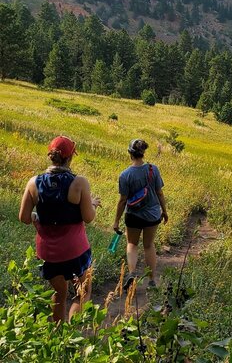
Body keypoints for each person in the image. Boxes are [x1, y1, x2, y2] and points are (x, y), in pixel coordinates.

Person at [19, 135, 101, 323]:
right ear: (70, 157)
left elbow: (24, 218)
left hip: (49, 252)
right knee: (83, 291)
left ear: (51, 156)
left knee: (59, 293)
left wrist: (36, 218)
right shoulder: (79, 183)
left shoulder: (33, 183)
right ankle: (72, 332)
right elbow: (88, 218)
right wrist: (93, 204)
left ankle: (58, 337)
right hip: (75, 250)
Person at [113, 138, 168, 289]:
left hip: (133, 215)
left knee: (132, 244)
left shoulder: (125, 175)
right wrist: (164, 211)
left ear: (130, 153)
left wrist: (116, 221)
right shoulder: (153, 169)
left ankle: (131, 273)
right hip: (152, 215)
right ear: (143, 153)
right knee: (149, 246)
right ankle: (151, 280)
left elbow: (123, 200)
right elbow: (160, 193)